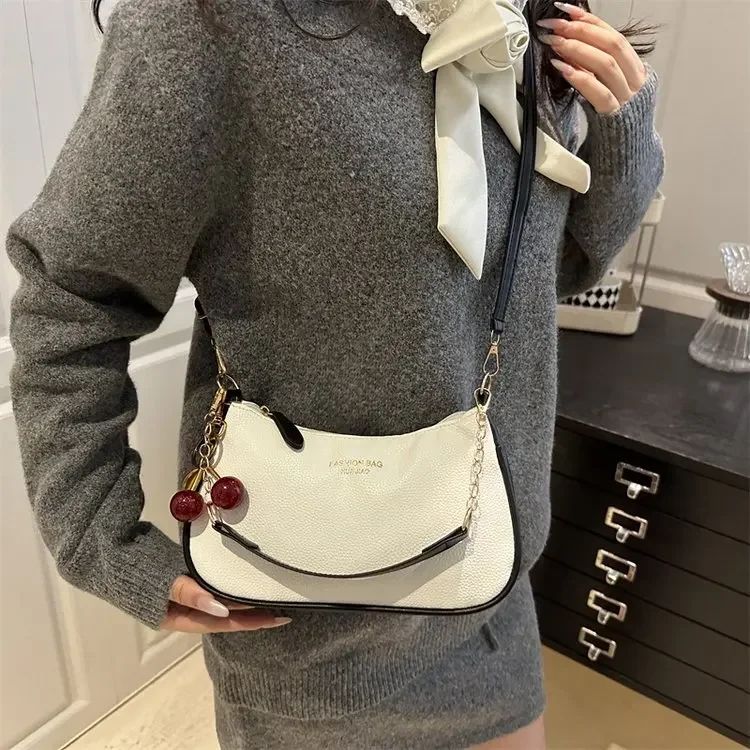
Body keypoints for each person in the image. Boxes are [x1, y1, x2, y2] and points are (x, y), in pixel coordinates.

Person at [6, 0, 663, 747]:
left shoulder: (524, 26)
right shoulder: (210, 29)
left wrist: (624, 133)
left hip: (486, 584)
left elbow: (554, 273)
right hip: (306, 632)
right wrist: (100, 537)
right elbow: (72, 301)